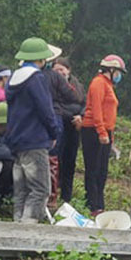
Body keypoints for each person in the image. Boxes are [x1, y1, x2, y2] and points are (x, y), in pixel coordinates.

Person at [6, 38, 61, 223]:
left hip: (16, 141)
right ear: (41, 59)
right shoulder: (36, 78)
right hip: (34, 140)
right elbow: (45, 109)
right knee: (40, 189)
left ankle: (17, 224)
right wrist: (54, 133)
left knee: (21, 189)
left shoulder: (13, 78)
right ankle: (27, 228)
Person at [81, 54, 125, 215]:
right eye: (118, 72)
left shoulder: (108, 85)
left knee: (102, 170)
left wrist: (109, 134)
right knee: (93, 169)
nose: (119, 76)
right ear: (111, 69)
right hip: (93, 130)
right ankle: (92, 204)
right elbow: (97, 109)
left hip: (105, 131)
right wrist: (101, 131)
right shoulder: (98, 83)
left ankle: (99, 203)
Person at [48, 55, 86, 206]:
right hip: (59, 123)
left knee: (70, 161)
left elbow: (84, 103)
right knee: (56, 159)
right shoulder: (51, 84)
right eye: (56, 70)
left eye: (62, 70)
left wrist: (81, 116)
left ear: (68, 70)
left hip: (74, 126)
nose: (59, 73)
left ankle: (67, 196)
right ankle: (53, 193)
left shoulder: (78, 85)